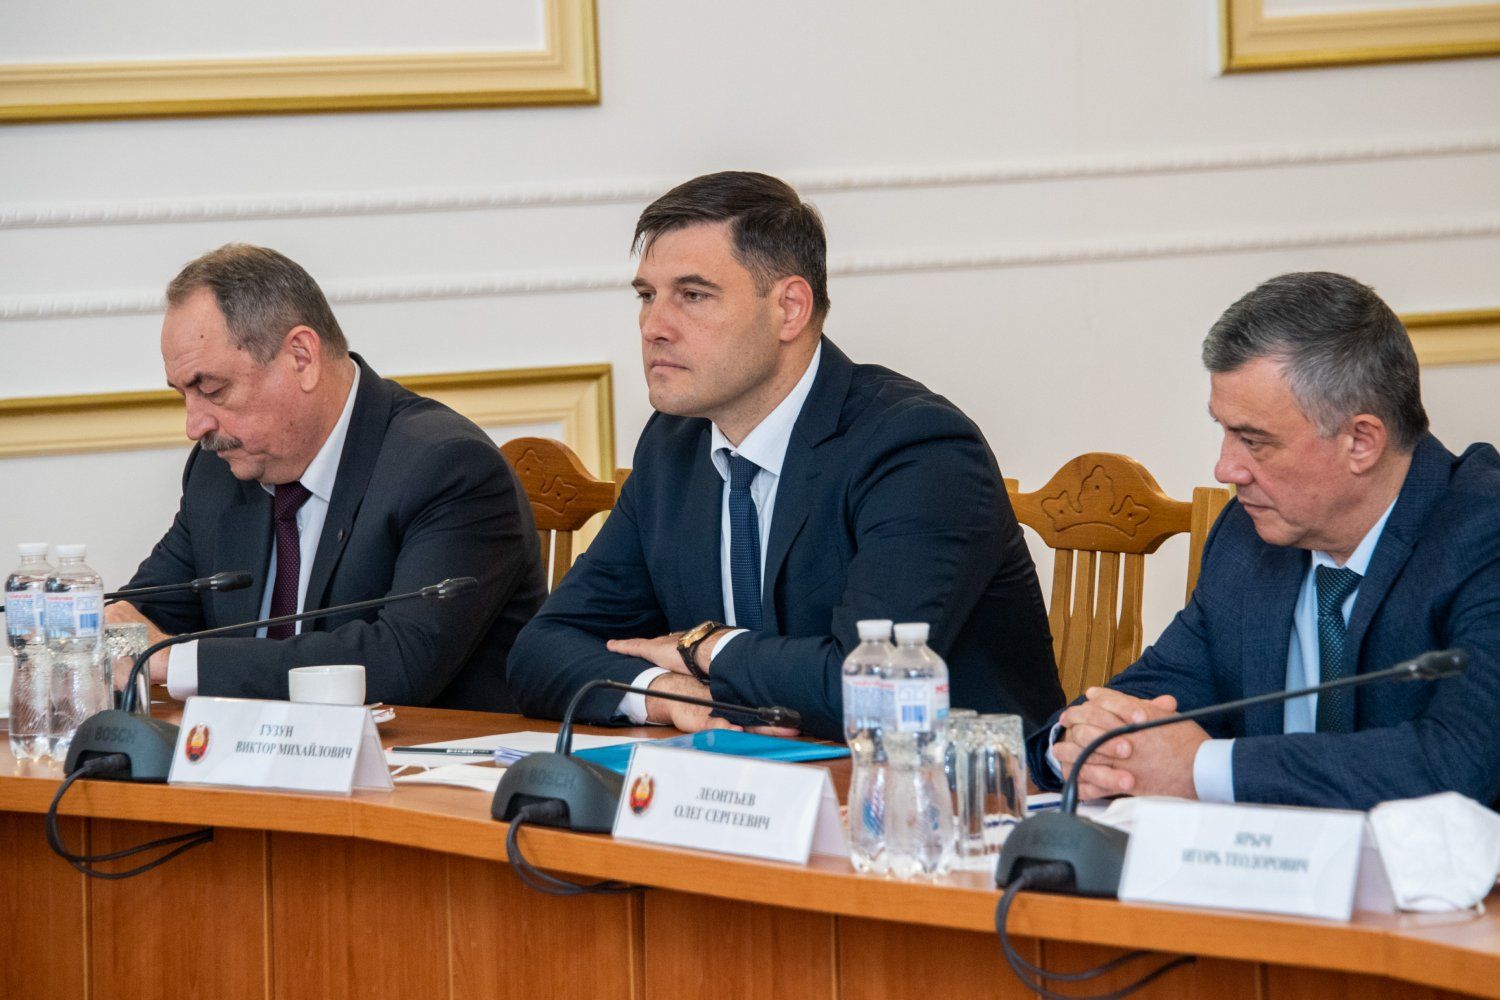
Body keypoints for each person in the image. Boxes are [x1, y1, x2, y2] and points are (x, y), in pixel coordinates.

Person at [506, 171, 1061, 741]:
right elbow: (541, 650)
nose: (653, 327)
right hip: (745, 781)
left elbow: (866, 688)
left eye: (693, 296)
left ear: (790, 309)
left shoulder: (917, 447)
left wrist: (705, 648)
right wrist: (667, 693)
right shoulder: (674, 443)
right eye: (647, 296)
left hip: (944, 784)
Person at [1032, 271, 1500, 811]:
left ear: (1361, 441)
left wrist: (1201, 768)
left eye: (1253, 441)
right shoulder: (1246, 539)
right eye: (1224, 431)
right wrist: (1076, 745)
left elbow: (1461, 762)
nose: (1225, 468)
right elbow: (1154, 693)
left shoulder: (1482, 534)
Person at [108, 244, 547, 710]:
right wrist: (96, 629)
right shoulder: (219, 471)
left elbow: (400, 661)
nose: (195, 426)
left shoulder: (448, 467)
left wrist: (175, 662)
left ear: (301, 357)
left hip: (426, 752)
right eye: (184, 395)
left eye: (212, 389)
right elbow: (146, 612)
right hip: (258, 750)